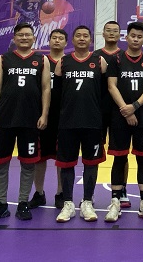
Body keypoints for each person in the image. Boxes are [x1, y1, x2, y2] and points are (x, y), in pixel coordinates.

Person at [0, 23, 50, 221]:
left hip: (30, 119)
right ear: (14, 38)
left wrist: (44, 114)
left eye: (28, 35)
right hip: (5, 119)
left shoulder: (42, 59)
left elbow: (46, 88)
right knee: (0, 163)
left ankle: (23, 202)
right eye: (20, 35)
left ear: (34, 38)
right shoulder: (4, 59)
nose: (24, 38)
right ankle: (1, 204)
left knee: (28, 164)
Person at [105, 22, 143, 222]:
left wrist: (134, 107)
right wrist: (125, 110)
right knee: (119, 158)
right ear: (126, 37)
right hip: (120, 117)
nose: (136, 39)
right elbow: (112, 86)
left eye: (139, 36)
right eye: (133, 36)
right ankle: (115, 202)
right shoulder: (116, 59)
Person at [55, 25, 107, 223]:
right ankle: (68, 203)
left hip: (92, 122)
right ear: (73, 40)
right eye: (78, 36)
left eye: (86, 36)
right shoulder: (63, 62)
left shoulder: (99, 61)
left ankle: (87, 202)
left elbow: (105, 92)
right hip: (68, 122)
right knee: (67, 163)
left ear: (91, 40)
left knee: (91, 163)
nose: (82, 38)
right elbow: (57, 94)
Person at [28, 28, 68, 210]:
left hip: (62, 116)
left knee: (61, 158)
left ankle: (60, 193)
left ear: (66, 43)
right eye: (54, 38)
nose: (57, 41)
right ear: (49, 41)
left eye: (61, 38)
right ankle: (39, 193)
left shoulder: (69, 62)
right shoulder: (40, 61)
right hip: (41, 115)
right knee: (39, 157)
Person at [93, 20, 130, 207]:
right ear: (103, 33)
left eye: (115, 31)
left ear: (120, 34)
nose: (112, 33)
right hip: (98, 111)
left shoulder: (125, 56)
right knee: (93, 153)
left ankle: (122, 189)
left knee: (121, 153)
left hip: (119, 111)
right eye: (108, 30)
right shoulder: (94, 56)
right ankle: (89, 194)